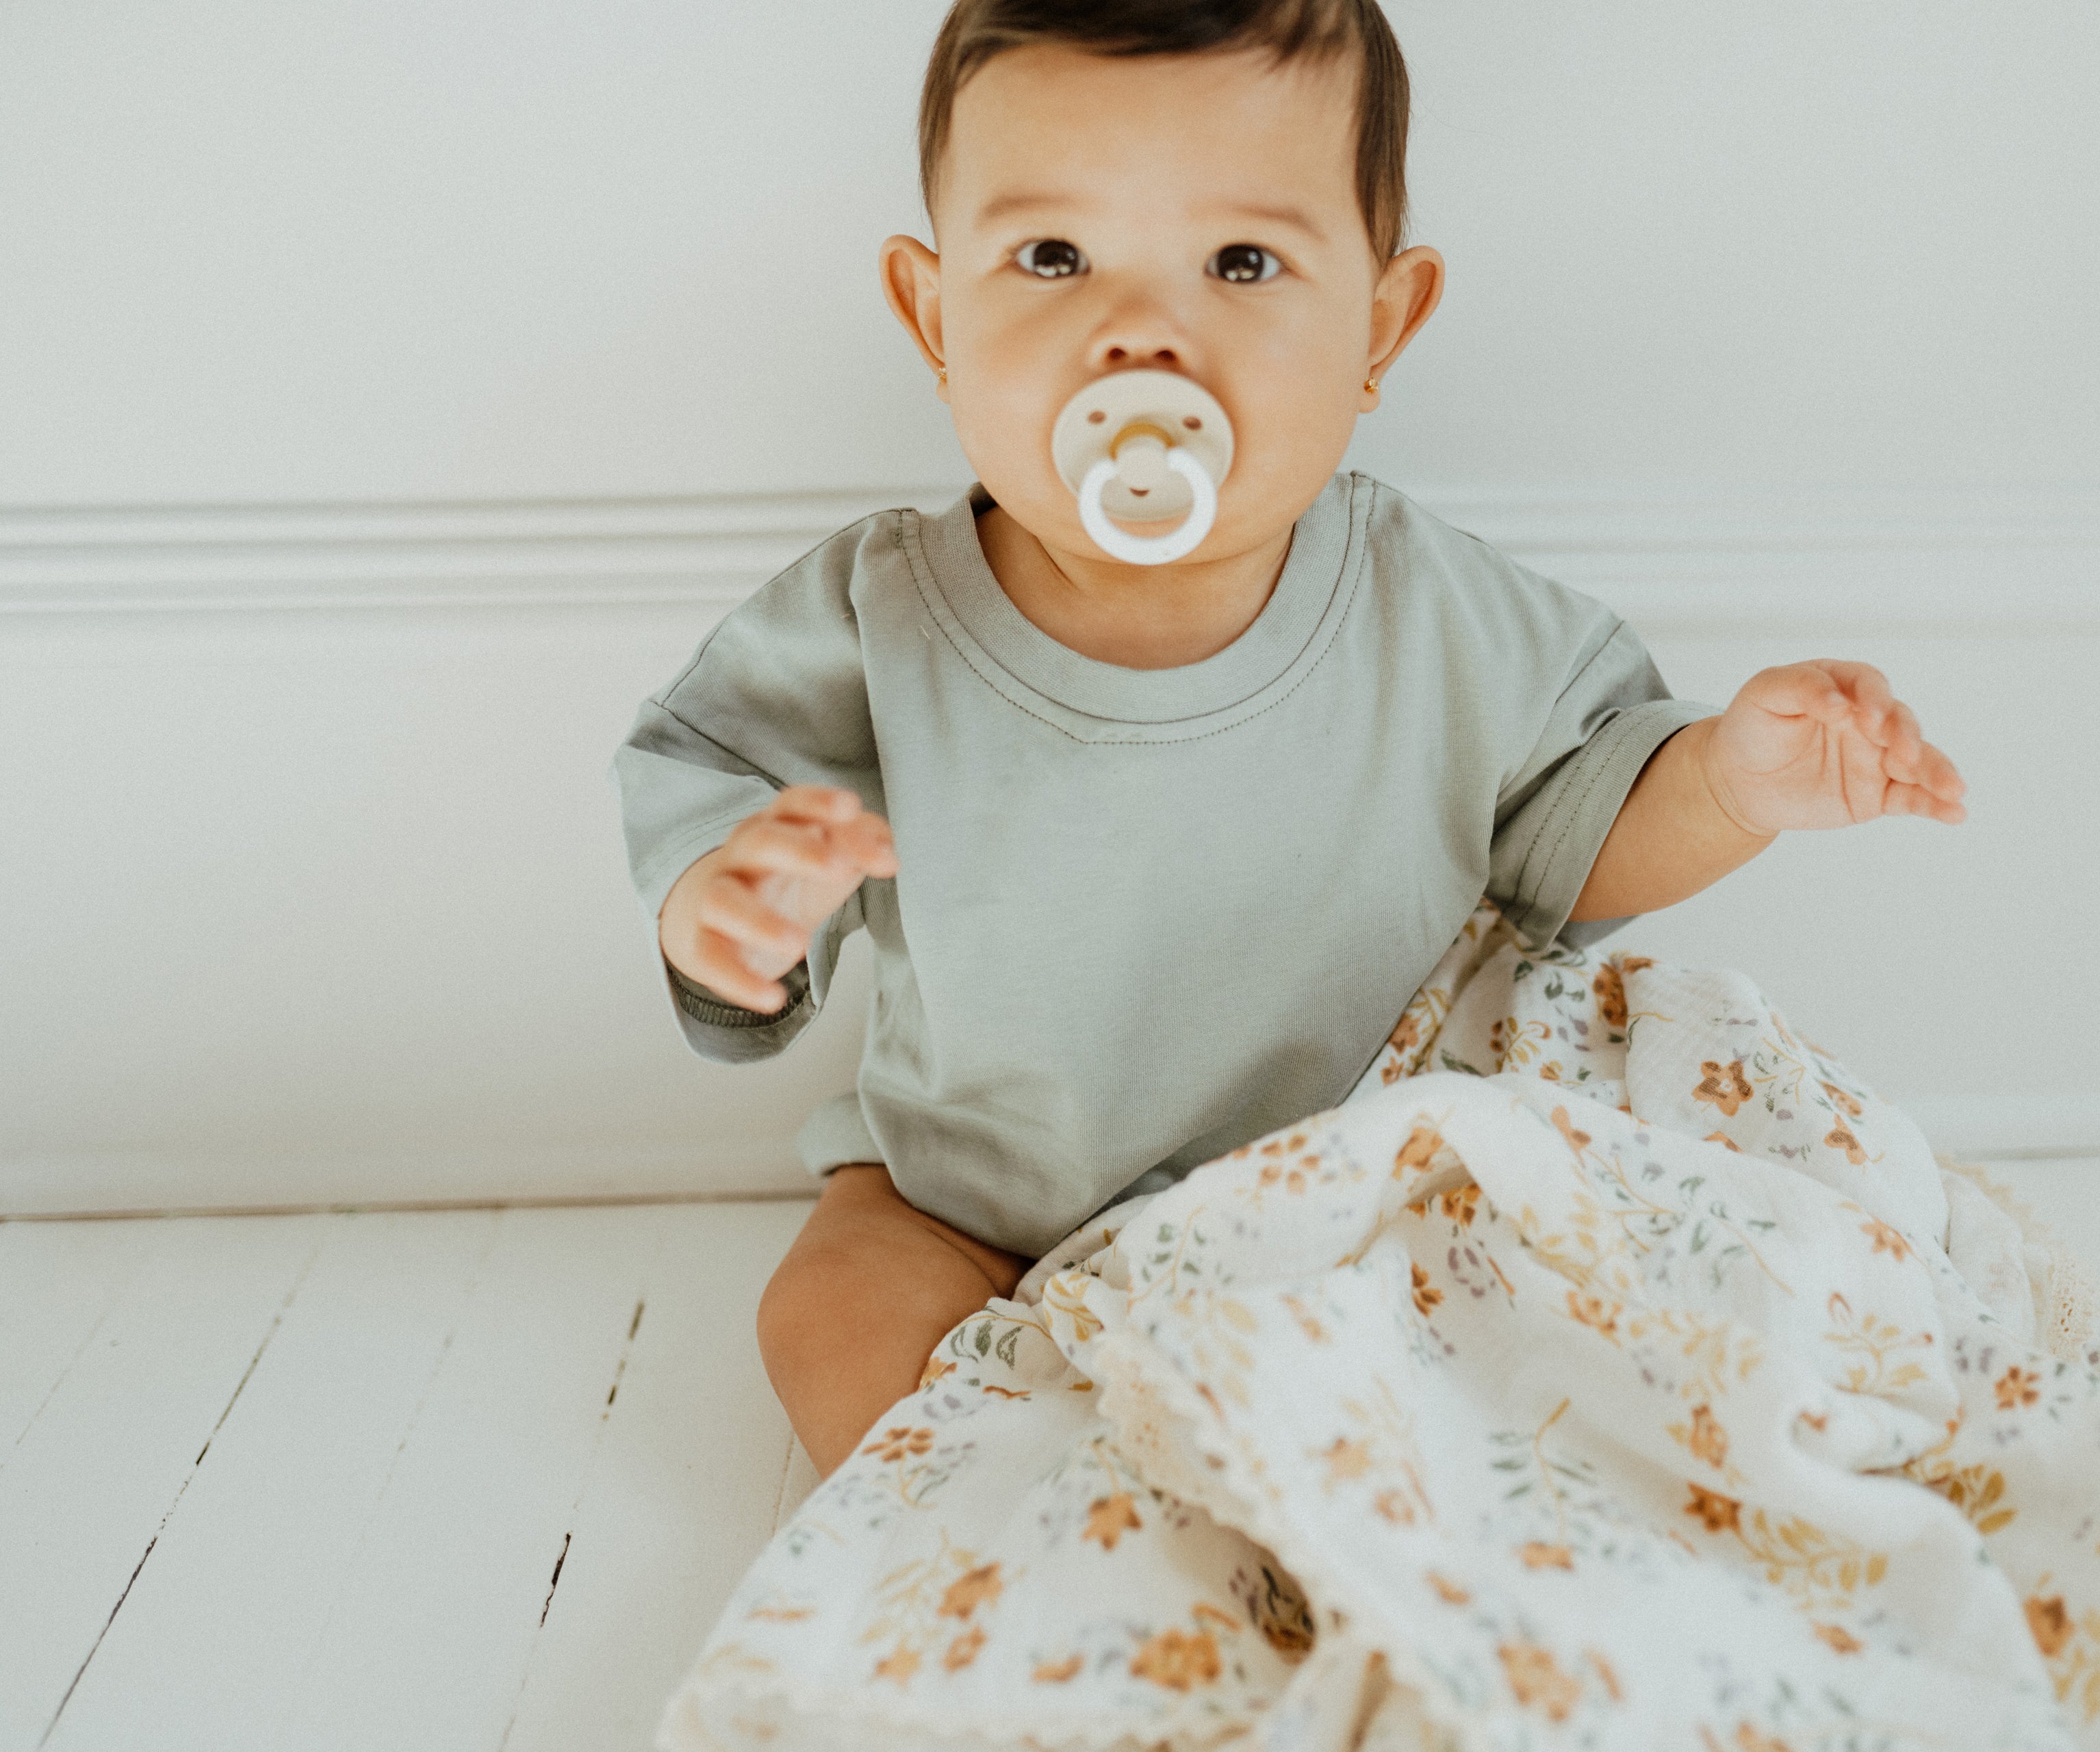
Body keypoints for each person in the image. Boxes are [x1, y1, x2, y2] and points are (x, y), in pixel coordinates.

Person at [609, 0, 1965, 1480]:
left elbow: (1578, 834)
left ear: (1379, 326)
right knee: (829, 1310)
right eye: (1052, 256)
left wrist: (1727, 777)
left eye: (1241, 262)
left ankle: (1305, 1495)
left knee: (1539, 1348)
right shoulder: (876, 621)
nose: (1139, 332)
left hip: (1350, 1200)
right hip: (966, 1202)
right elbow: (709, 779)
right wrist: (727, 904)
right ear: (937, 316)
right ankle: (1013, 1524)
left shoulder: (1435, 612)